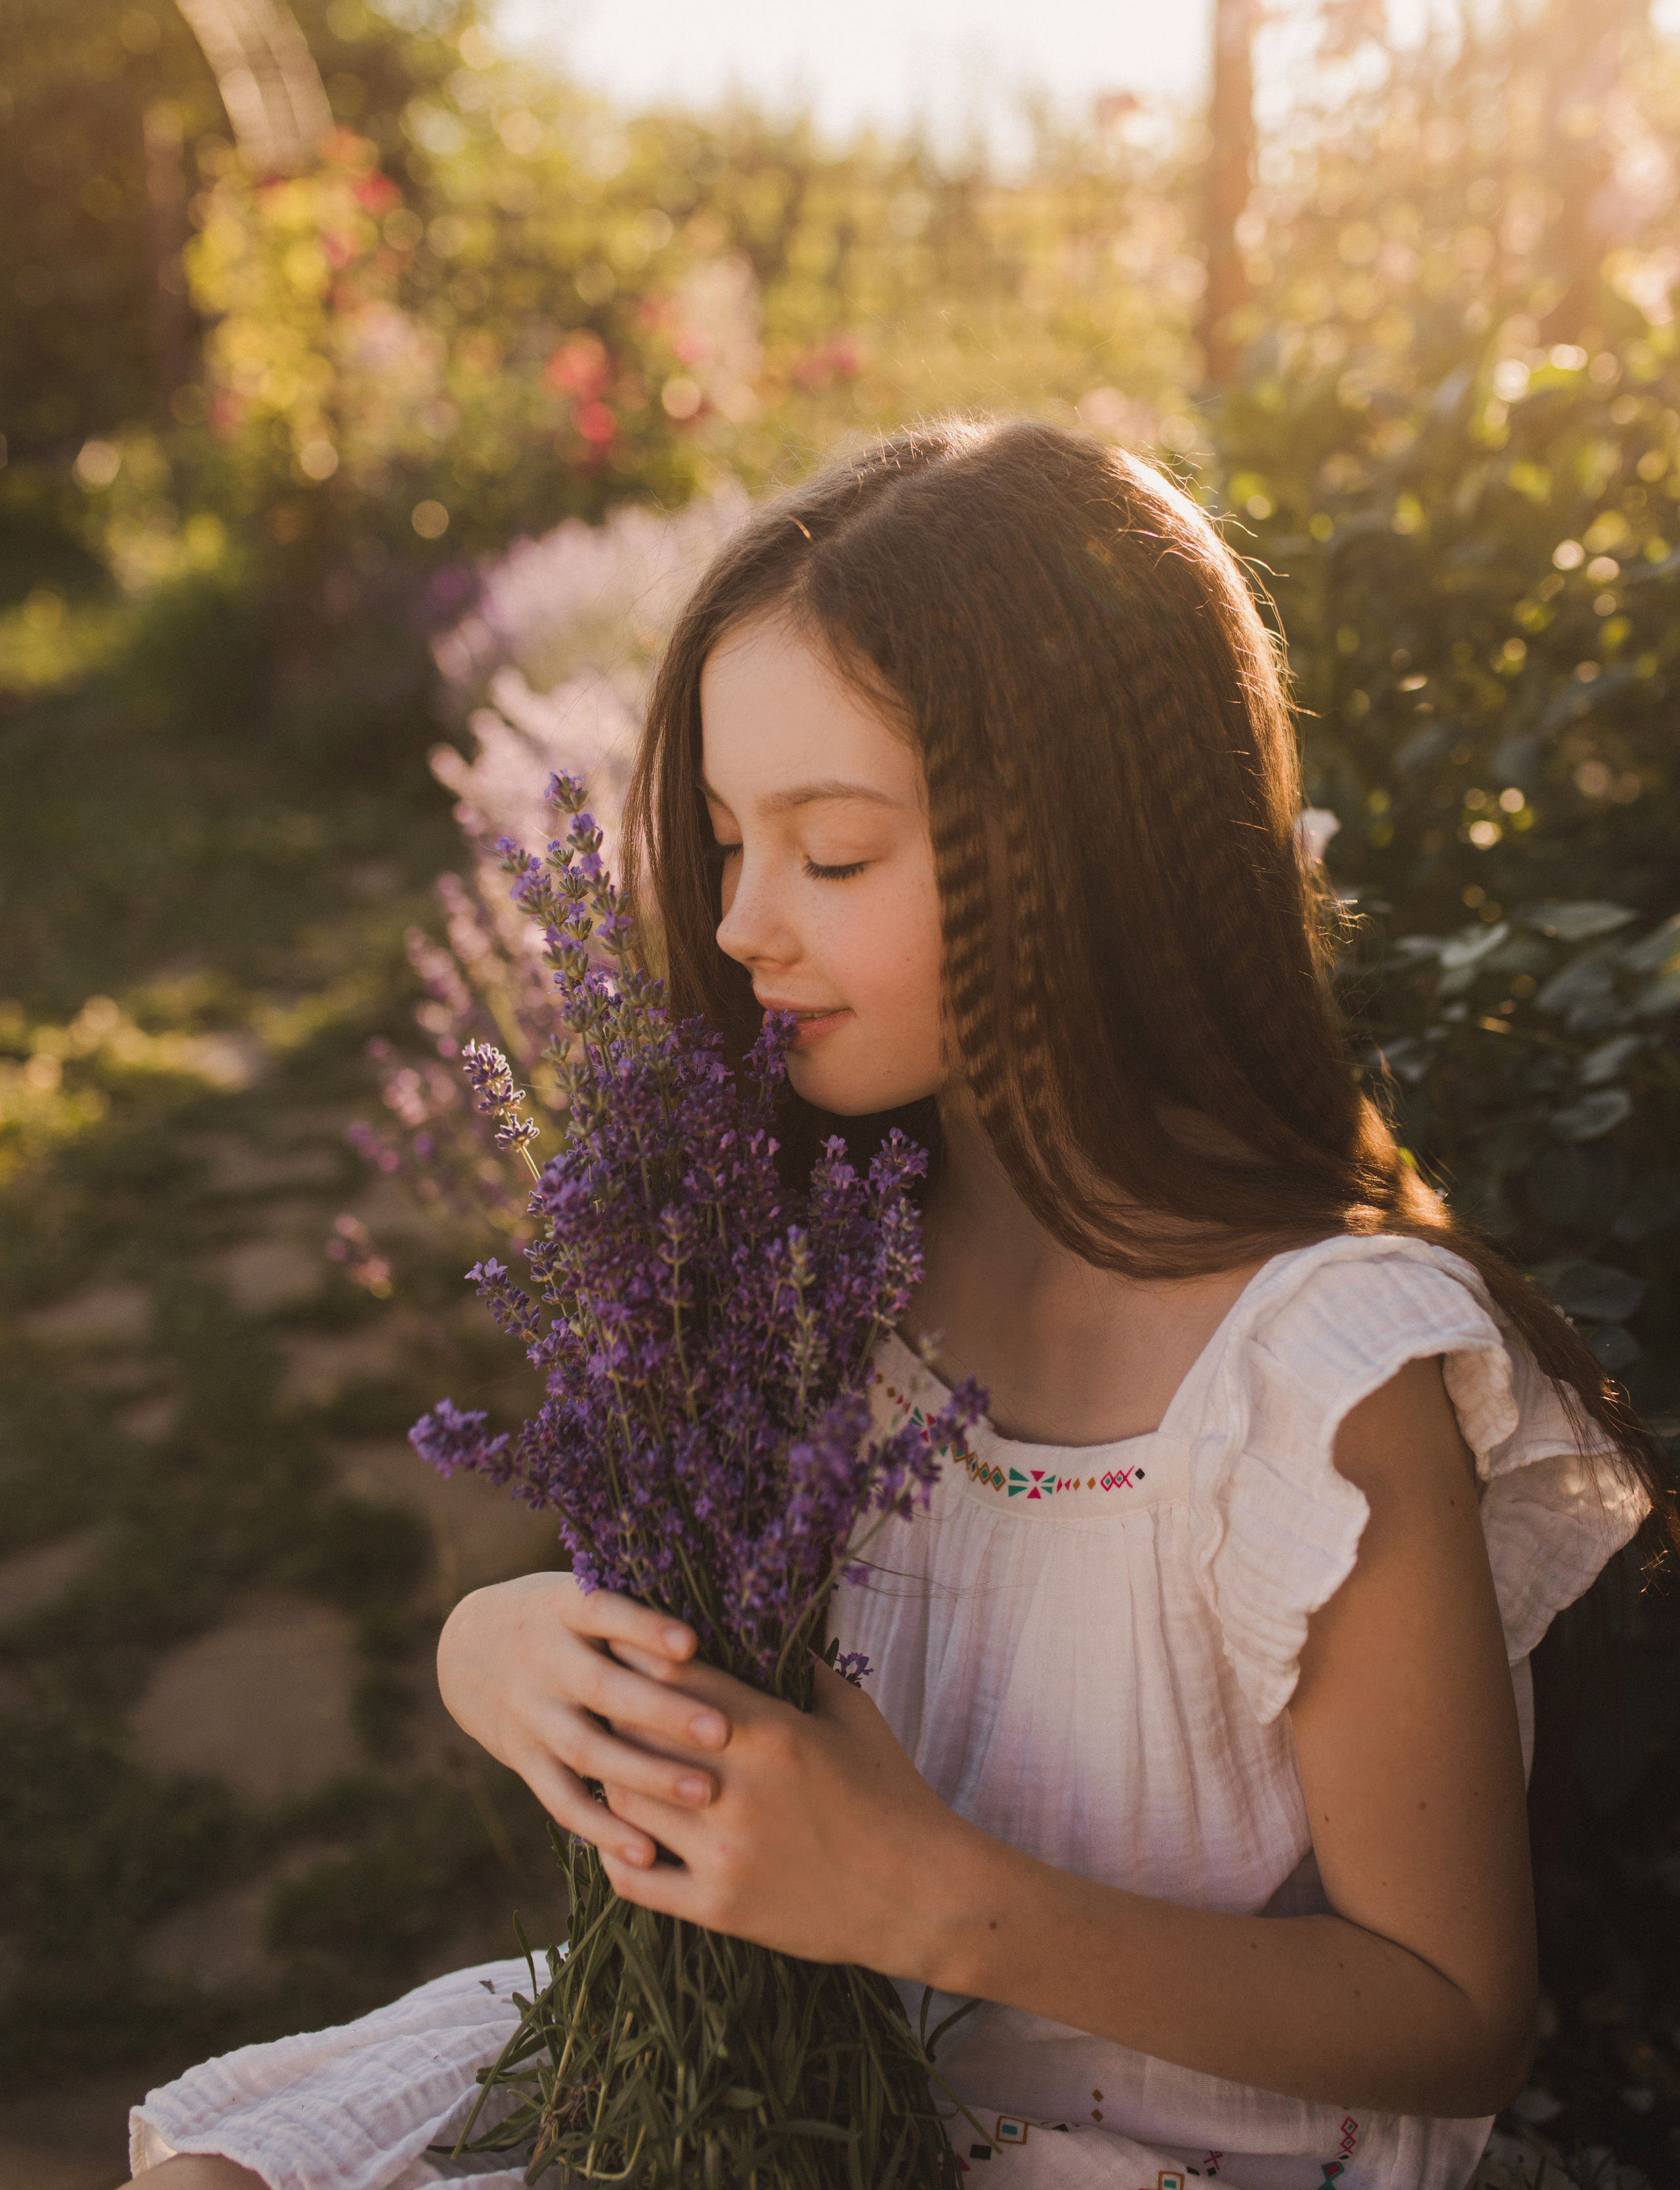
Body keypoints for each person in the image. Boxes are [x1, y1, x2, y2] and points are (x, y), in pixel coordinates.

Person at [128, 423, 1666, 2190]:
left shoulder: (1313, 1380)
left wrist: (920, 1901)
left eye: (834, 855)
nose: (744, 927)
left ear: (1086, 861)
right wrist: (512, 1650)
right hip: (784, 2076)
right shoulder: (806, 1266)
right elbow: (716, 1661)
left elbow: (1458, 2012)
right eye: (721, 843)